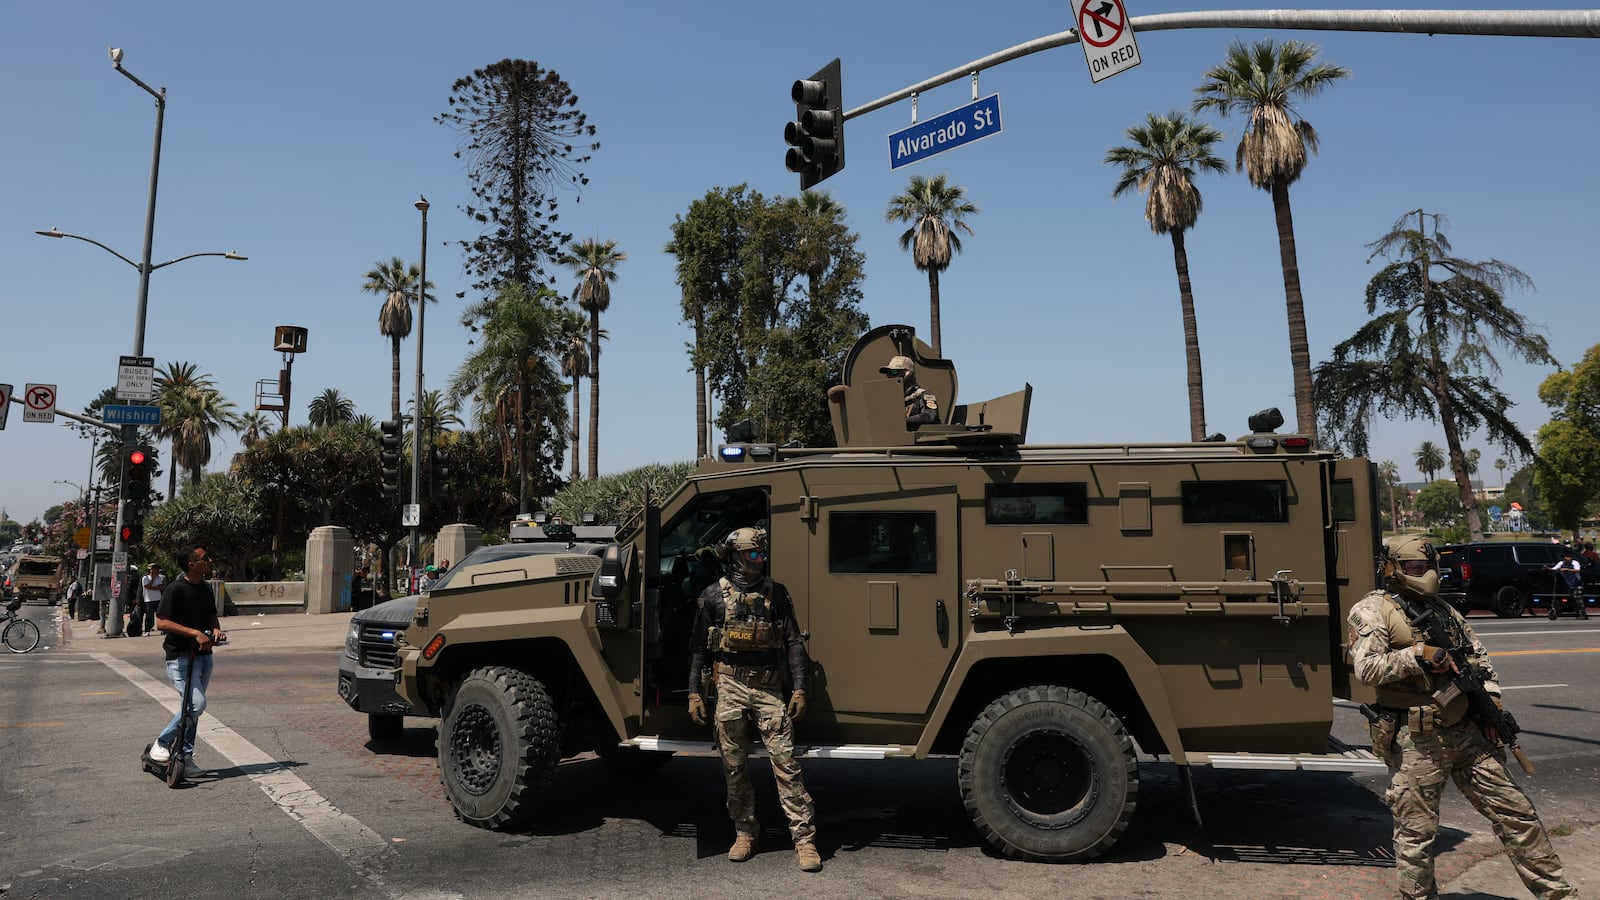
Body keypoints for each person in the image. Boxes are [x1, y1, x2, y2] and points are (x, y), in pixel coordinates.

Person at [1348, 536, 1573, 899]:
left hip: (1467, 732)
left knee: (1518, 815)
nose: (1425, 574)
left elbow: (1479, 658)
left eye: (1429, 566)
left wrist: (1491, 706)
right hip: (1415, 739)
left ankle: (1558, 894)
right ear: (1392, 569)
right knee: (1417, 836)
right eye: (1415, 568)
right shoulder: (1374, 610)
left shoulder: (1441, 609)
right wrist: (1416, 654)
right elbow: (1366, 669)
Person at [686, 527, 822, 872]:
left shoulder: (776, 594)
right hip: (729, 686)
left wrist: (800, 688)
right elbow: (698, 649)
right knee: (734, 767)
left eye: (762, 555)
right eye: (752, 555)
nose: (759, 561)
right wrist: (693, 693)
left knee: (786, 764)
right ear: (735, 556)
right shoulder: (713, 596)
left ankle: (804, 840)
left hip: (768, 688)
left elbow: (793, 642)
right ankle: (745, 832)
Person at [147, 546, 227, 769]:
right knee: (195, 706)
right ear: (192, 565)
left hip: (204, 657)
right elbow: (161, 622)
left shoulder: (205, 589)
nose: (209, 560)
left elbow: (212, 616)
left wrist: (215, 630)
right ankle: (162, 742)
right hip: (180, 657)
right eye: (204, 558)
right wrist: (195, 633)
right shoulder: (175, 589)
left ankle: (185, 756)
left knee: (192, 710)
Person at [880, 355, 939, 426]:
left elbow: (930, 416)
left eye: (894, 372)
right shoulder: (888, 398)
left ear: (907, 373)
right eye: (888, 372)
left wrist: (904, 422)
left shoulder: (923, 394)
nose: (889, 376)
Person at [1550, 551, 1587, 619]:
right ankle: (1577, 612)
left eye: (1569, 557)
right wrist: (1547, 569)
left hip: (1577, 583)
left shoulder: (1575, 563)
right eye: (1566, 557)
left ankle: (1583, 613)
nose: (1567, 558)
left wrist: (1567, 569)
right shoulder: (1561, 563)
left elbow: (1577, 570)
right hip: (1569, 584)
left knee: (1578, 599)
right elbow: (1554, 569)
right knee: (1573, 599)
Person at [140, 563, 166, 635]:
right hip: (149, 599)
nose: (156, 570)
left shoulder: (159, 578)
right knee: (149, 616)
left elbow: (161, 587)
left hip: (158, 598)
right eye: (154, 569)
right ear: (150, 570)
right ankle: (147, 630)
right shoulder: (145, 578)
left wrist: (153, 588)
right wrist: (153, 579)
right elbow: (147, 587)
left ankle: (162, 629)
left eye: (157, 569)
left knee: (160, 615)